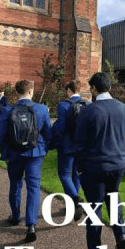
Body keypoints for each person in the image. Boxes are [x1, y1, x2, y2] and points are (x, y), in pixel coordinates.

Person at [75, 72, 125, 249]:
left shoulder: (88, 111)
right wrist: (119, 151)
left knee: (94, 209)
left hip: (95, 166)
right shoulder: (123, 108)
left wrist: (80, 167)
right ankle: (121, 235)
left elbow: (80, 143)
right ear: (109, 87)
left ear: (93, 89)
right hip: (117, 164)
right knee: (113, 198)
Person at [0, 80, 51, 243]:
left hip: (14, 154)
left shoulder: (8, 110)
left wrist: (5, 153)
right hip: (35, 153)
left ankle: (15, 216)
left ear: (17, 92)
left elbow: (1, 136)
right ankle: (31, 225)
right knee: (33, 187)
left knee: (15, 185)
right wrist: (45, 148)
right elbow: (48, 132)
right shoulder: (41, 109)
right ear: (31, 91)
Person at [49, 81, 85, 221]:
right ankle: (73, 206)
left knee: (64, 174)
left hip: (67, 146)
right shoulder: (87, 104)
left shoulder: (63, 105)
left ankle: (76, 199)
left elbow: (60, 128)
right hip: (81, 146)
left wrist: (54, 142)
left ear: (69, 90)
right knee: (76, 174)